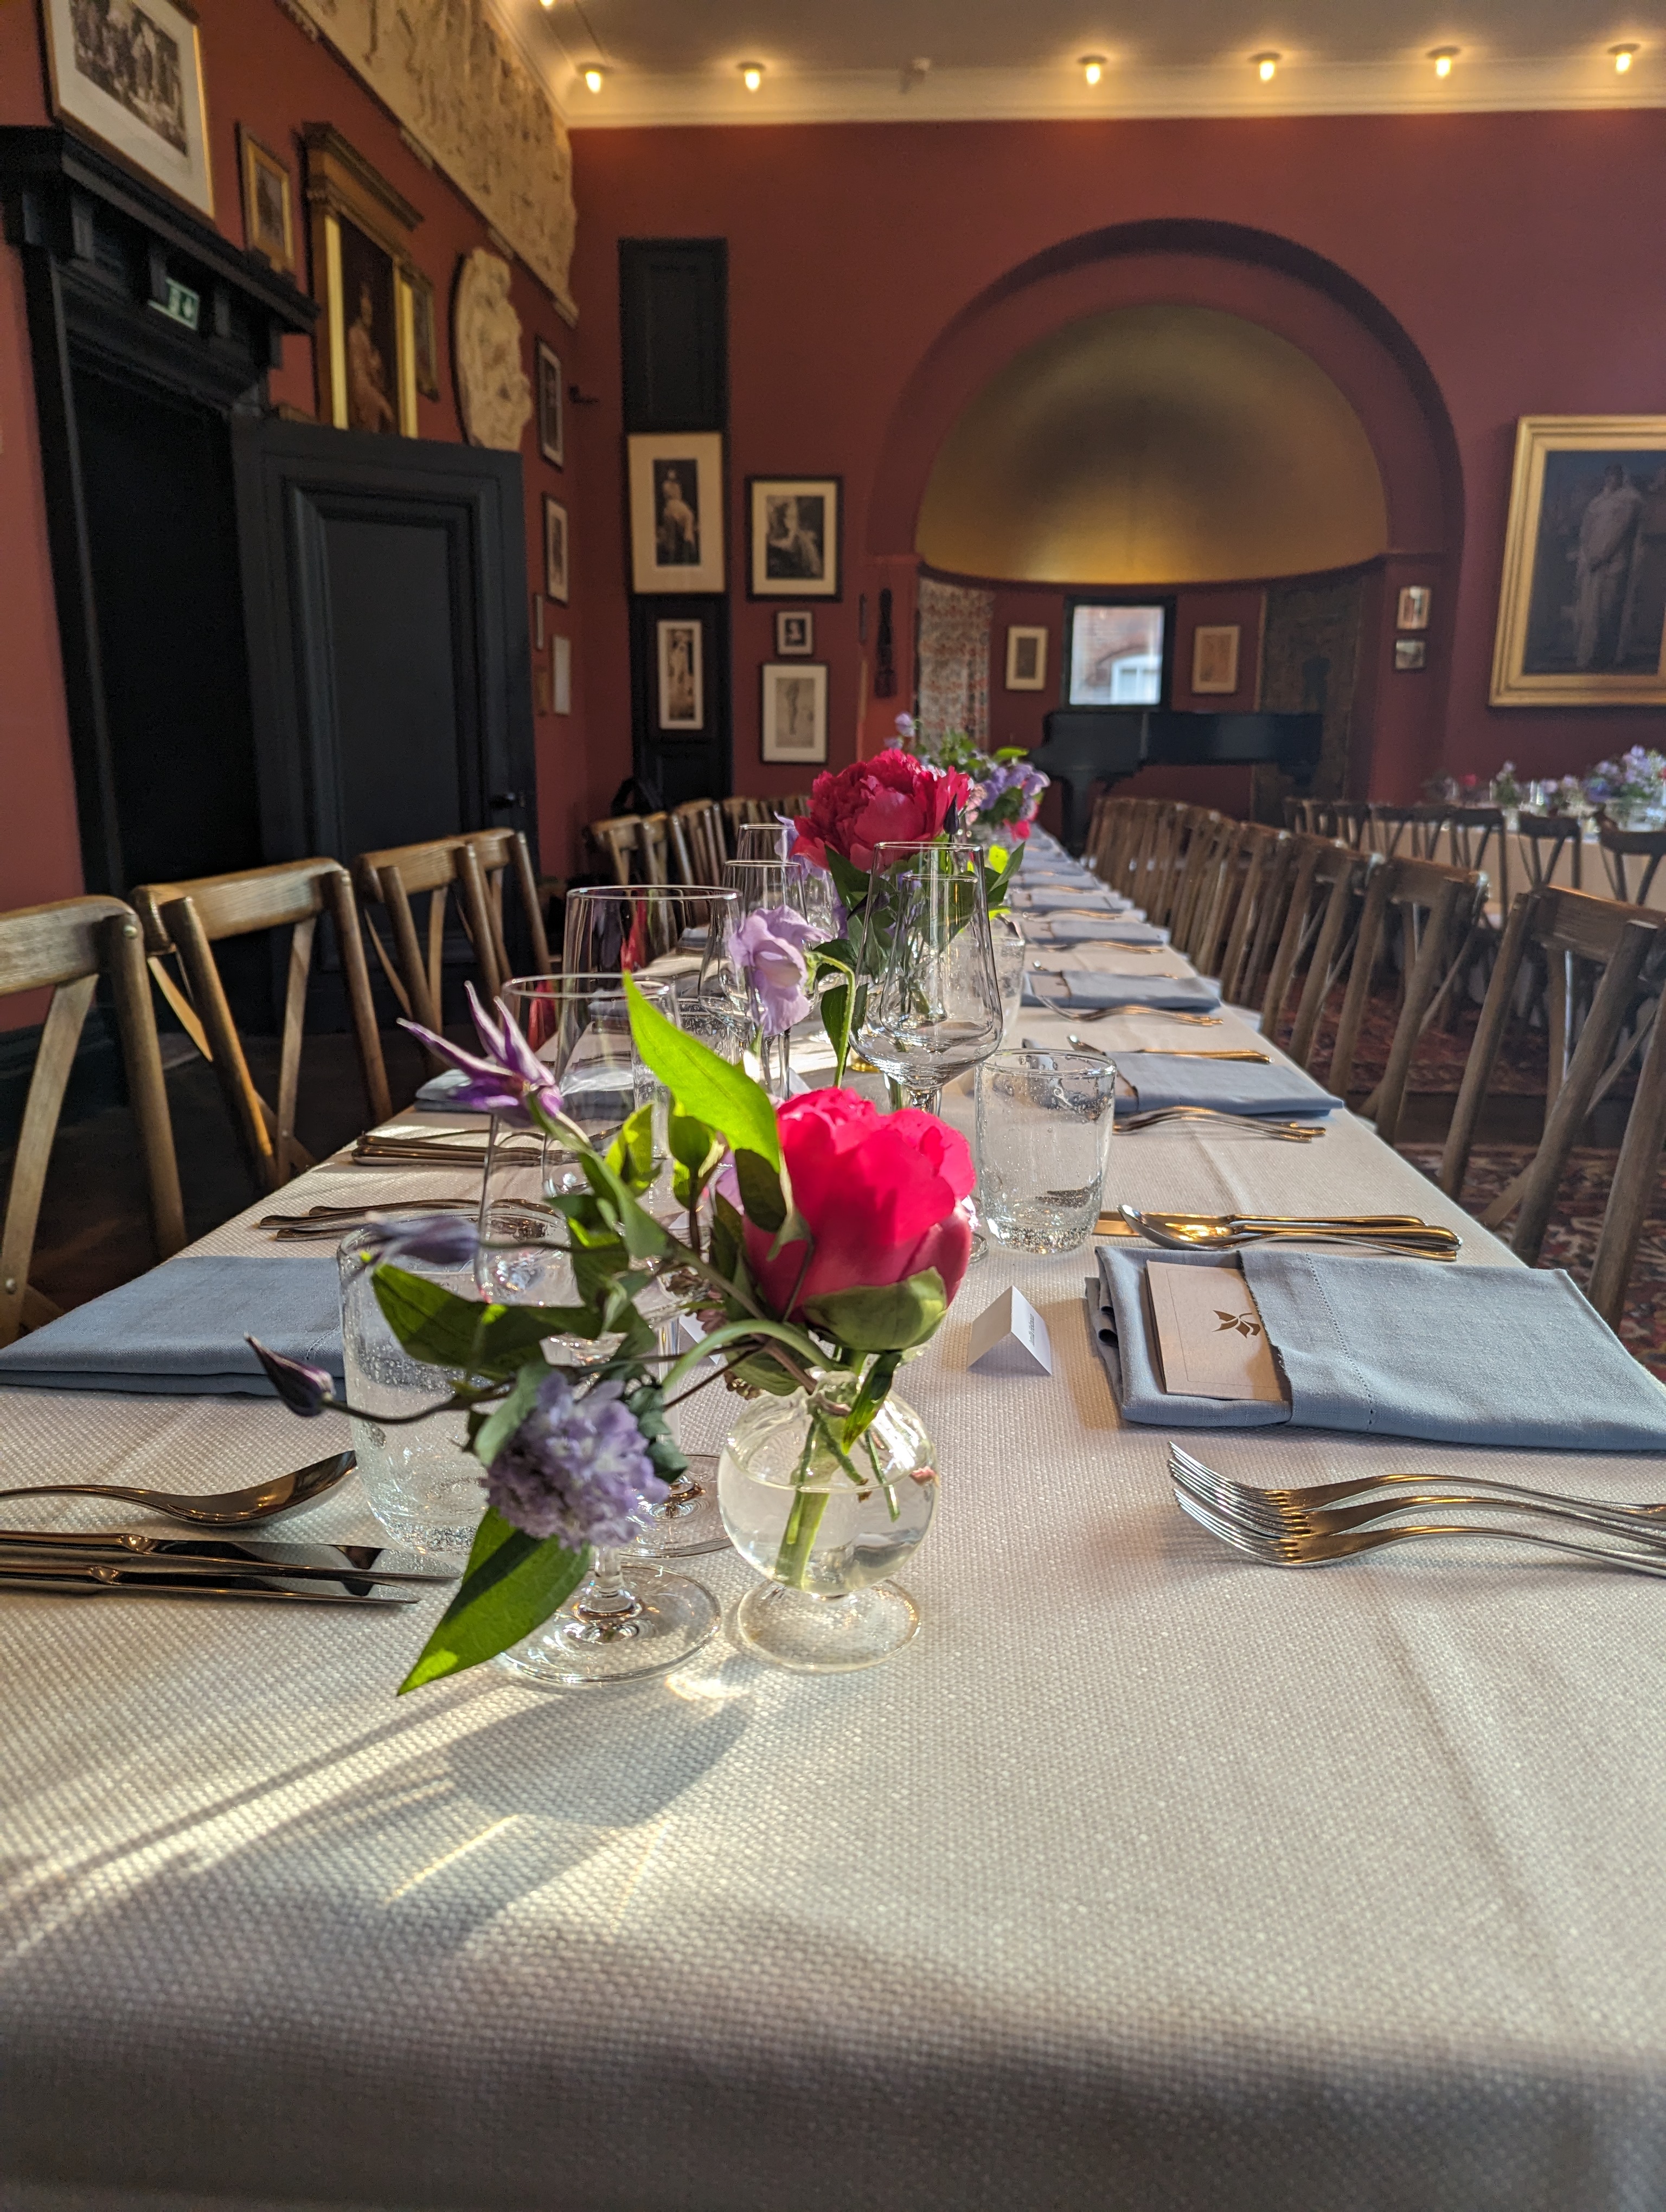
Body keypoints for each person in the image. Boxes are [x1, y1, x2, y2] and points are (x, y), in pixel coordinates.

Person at [1573, 462, 1644, 668]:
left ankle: (1607, 656)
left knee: (1608, 611)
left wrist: (1602, 556)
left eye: (1616, 476)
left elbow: (1618, 533)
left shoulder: (1629, 501)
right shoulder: (1597, 503)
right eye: (1609, 476)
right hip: (1592, 563)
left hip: (1613, 564)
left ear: (1622, 478)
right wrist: (1589, 554)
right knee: (1588, 611)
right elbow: (1586, 530)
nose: (1611, 480)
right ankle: (1587, 654)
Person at [347, 281, 395, 434]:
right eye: (365, 312)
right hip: (363, 388)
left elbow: (376, 376)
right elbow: (359, 376)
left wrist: (376, 365)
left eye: (370, 312)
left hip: (369, 386)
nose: (369, 316)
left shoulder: (366, 338)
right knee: (384, 409)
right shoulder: (355, 335)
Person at [657, 470, 698, 564]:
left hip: (678, 504)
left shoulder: (677, 486)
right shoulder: (666, 485)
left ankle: (688, 539)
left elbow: (679, 496)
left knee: (689, 514)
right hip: (671, 505)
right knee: (672, 520)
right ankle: (671, 551)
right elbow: (669, 496)